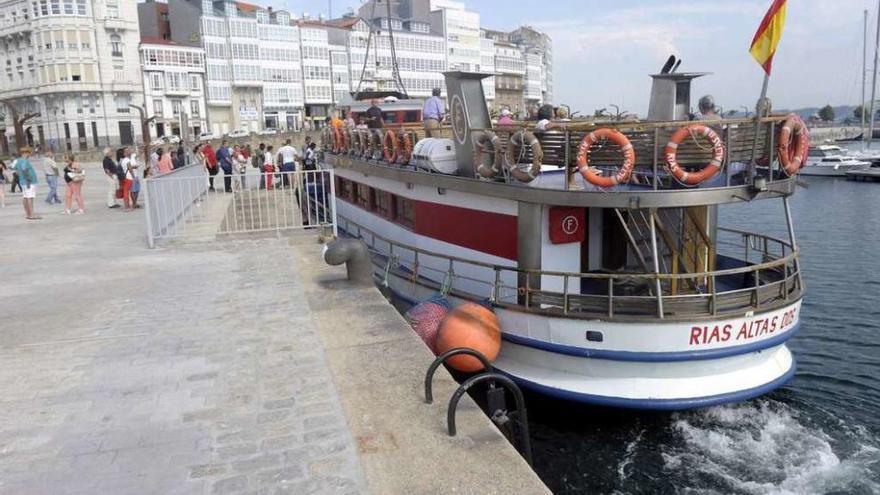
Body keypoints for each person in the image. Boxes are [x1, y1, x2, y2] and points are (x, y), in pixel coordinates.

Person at [14, 147, 40, 220]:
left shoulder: (18, 160)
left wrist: (18, 173)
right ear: (26, 153)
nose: (30, 154)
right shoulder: (25, 160)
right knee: (30, 198)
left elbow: (12, 167)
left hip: (22, 181)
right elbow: (24, 169)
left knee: (25, 197)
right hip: (29, 182)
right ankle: (32, 214)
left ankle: (28, 214)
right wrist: (28, 179)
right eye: (30, 153)